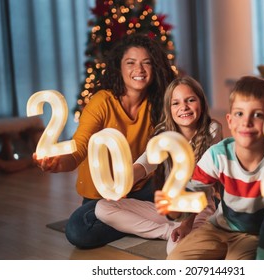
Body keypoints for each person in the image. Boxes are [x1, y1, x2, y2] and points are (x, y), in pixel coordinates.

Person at [33, 33, 176, 249]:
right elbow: (79, 147)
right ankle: (141, 221)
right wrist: (58, 163)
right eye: (131, 63)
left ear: (155, 68)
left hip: (143, 188)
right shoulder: (102, 102)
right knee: (78, 231)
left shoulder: (159, 103)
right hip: (104, 199)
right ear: (119, 67)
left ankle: (133, 220)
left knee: (183, 196)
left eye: (147, 63)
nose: (139, 69)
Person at [156, 76, 264, 260]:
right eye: (239, 114)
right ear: (229, 120)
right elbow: (196, 191)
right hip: (218, 226)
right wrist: (175, 209)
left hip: (254, 233)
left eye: (258, 115)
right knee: (174, 260)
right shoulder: (217, 154)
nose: (246, 122)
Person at [95, 76, 223, 253]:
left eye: (190, 100)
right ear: (169, 109)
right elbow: (144, 163)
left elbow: (202, 185)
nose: (183, 107)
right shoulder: (163, 133)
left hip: (198, 209)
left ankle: (191, 235)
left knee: (175, 251)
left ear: (201, 102)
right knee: (102, 208)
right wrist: (122, 184)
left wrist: (186, 224)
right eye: (175, 103)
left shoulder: (212, 130)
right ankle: (166, 232)